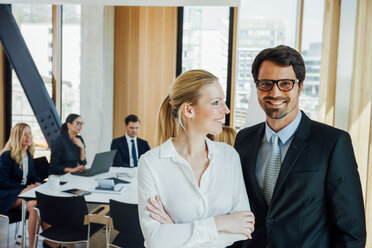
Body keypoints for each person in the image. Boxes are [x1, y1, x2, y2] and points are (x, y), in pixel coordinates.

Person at [233, 45, 366, 247]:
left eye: (285, 83)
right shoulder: (243, 139)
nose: (275, 92)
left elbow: (351, 231)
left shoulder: (332, 142)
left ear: (300, 86)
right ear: (257, 86)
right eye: (266, 84)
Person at [137, 69, 255, 248]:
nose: (226, 110)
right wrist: (220, 223)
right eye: (216, 102)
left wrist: (175, 231)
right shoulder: (151, 163)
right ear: (188, 110)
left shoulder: (229, 156)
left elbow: (243, 228)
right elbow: (156, 239)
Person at [0, 123, 57, 248]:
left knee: (37, 205)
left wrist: (38, 182)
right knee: (36, 204)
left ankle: (45, 242)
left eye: (29, 133)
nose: (28, 136)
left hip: (22, 194)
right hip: (6, 196)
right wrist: (24, 189)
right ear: (17, 137)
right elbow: (2, 181)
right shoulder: (7, 156)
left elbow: (32, 175)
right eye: (24, 134)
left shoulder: (28, 155)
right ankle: (41, 244)